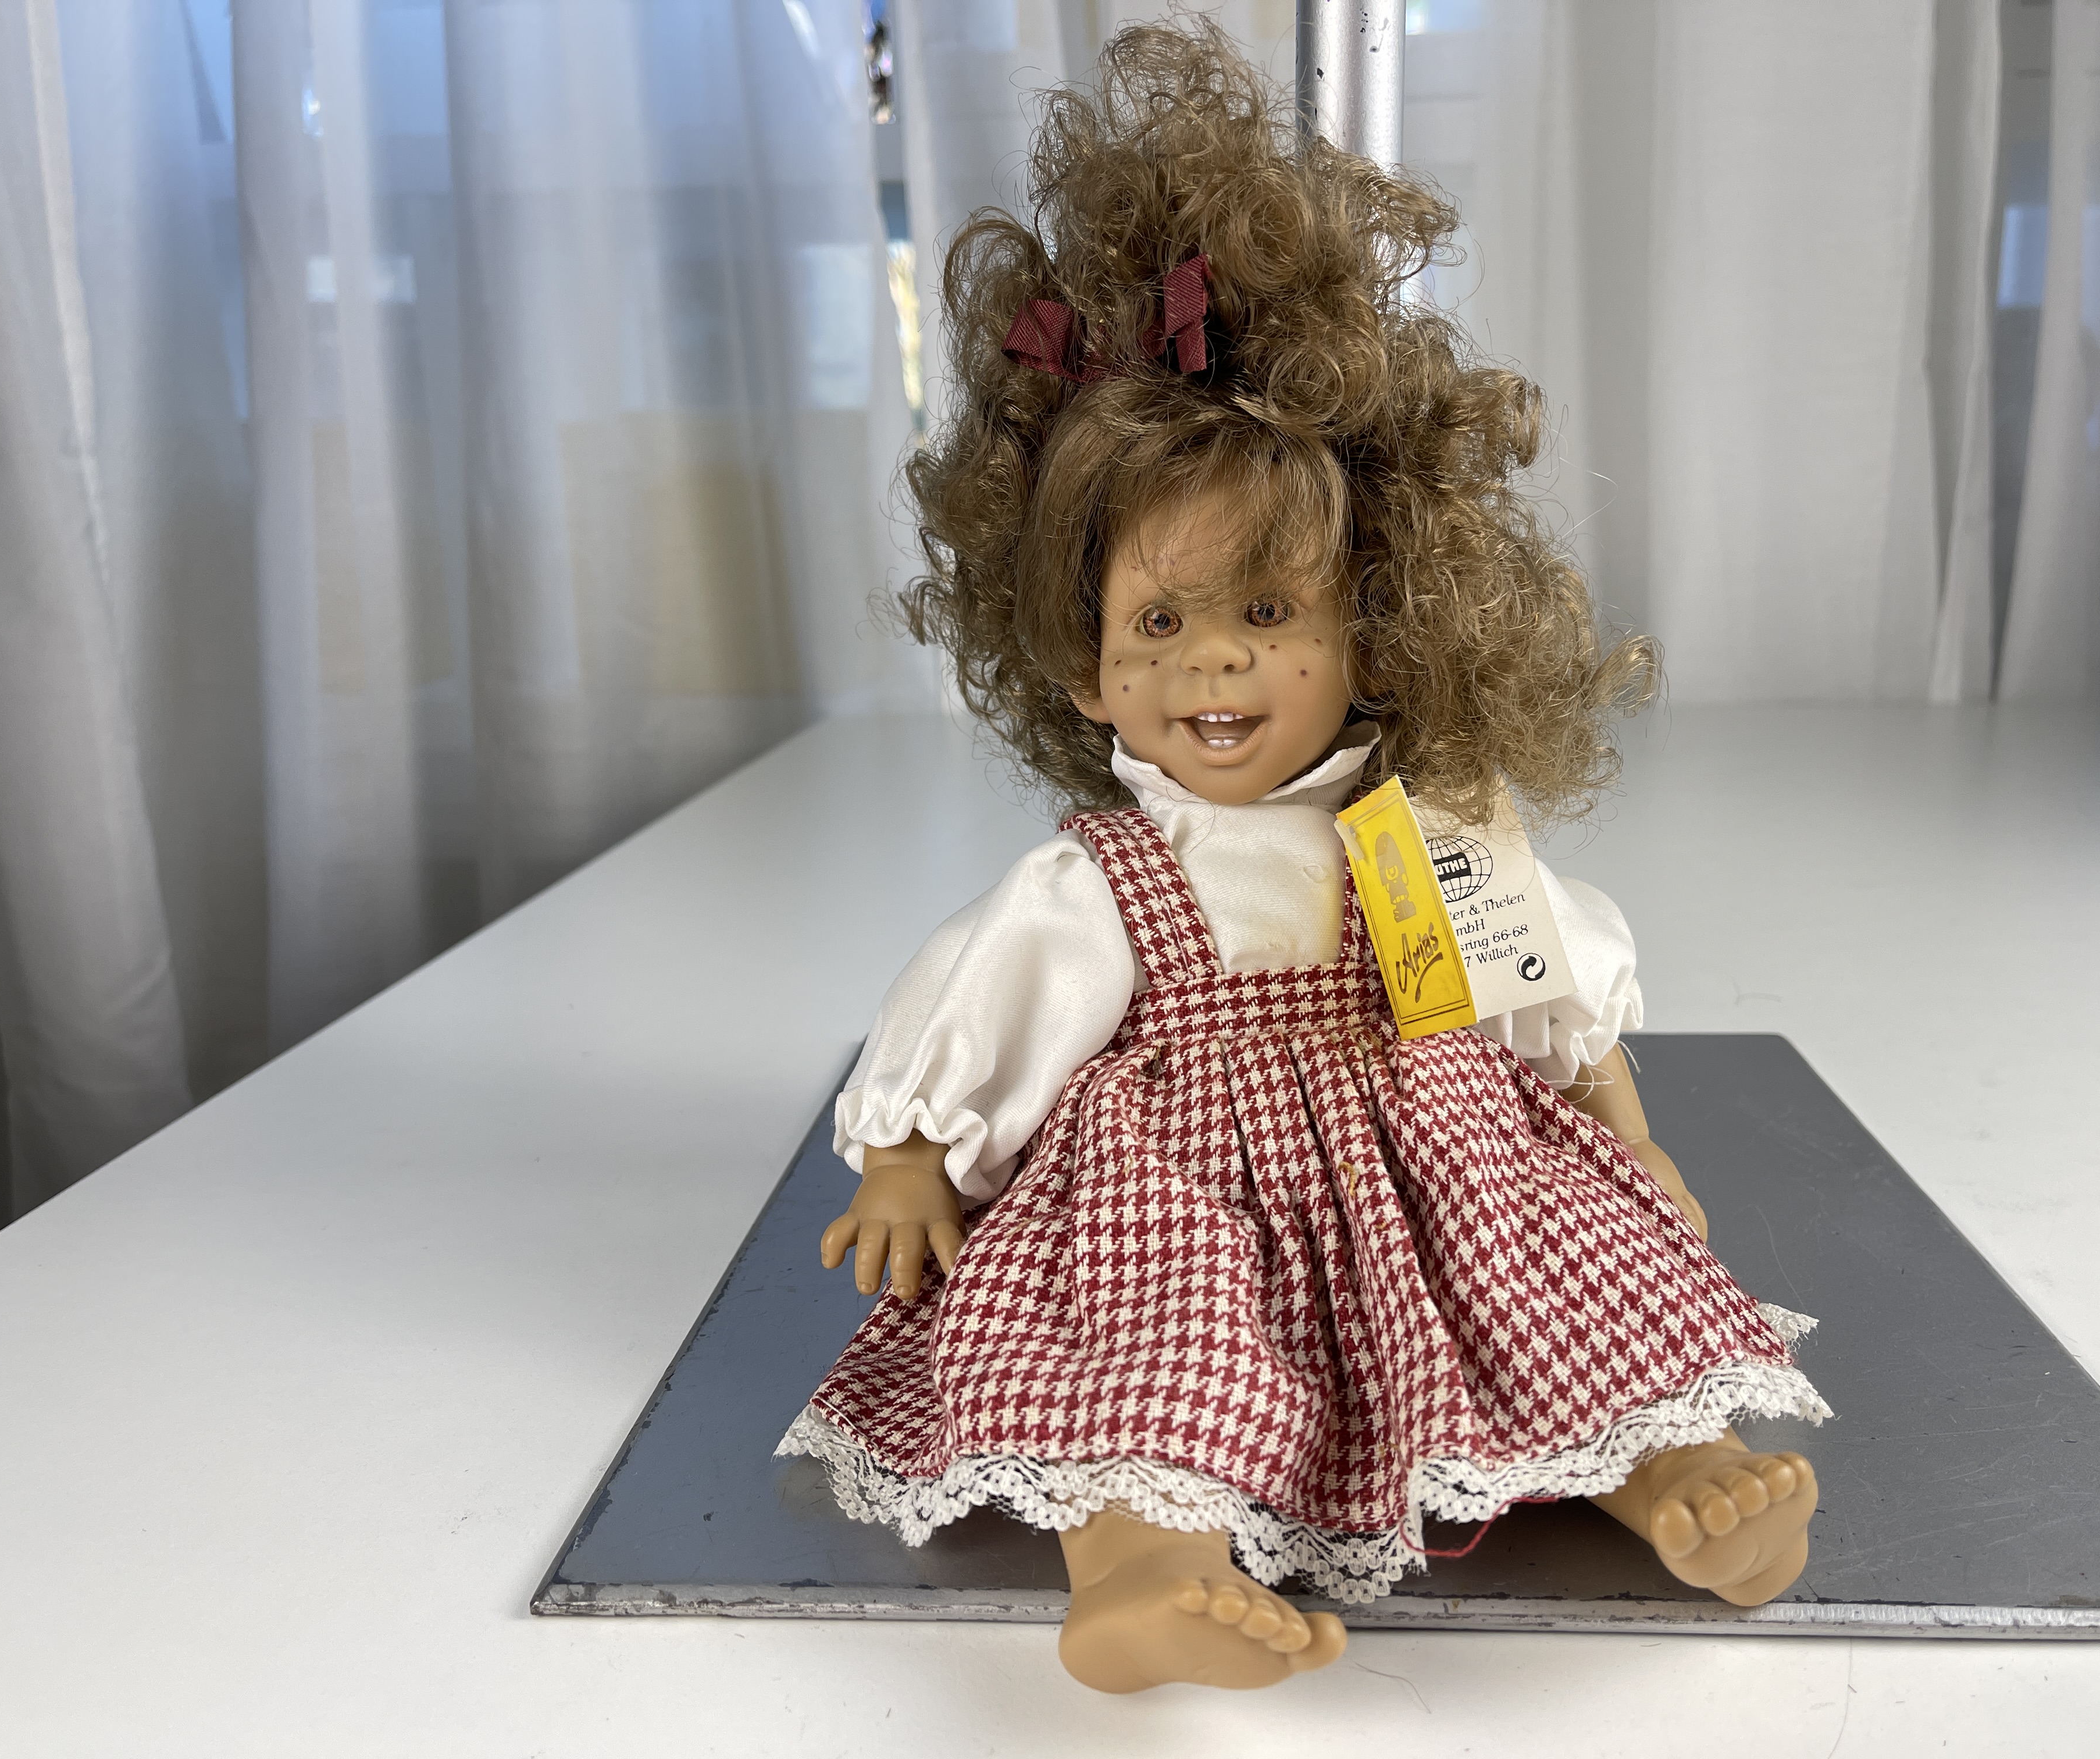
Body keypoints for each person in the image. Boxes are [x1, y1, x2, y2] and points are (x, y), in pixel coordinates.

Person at [779, 22, 1826, 1693]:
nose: (1214, 662)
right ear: (1081, 668)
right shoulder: (1100, 883)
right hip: (1190, 1171)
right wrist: (907, 1160)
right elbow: (982, 1005)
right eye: (1160, 625)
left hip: (1438, 1149)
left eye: (1267, 613)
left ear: (1372, 635)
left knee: (1559, 1278)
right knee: (1149, 1336)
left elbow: (1546, 990)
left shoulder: (1428, 839)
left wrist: (1632, 1142)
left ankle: (1682, 1481)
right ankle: (1145, 1567)